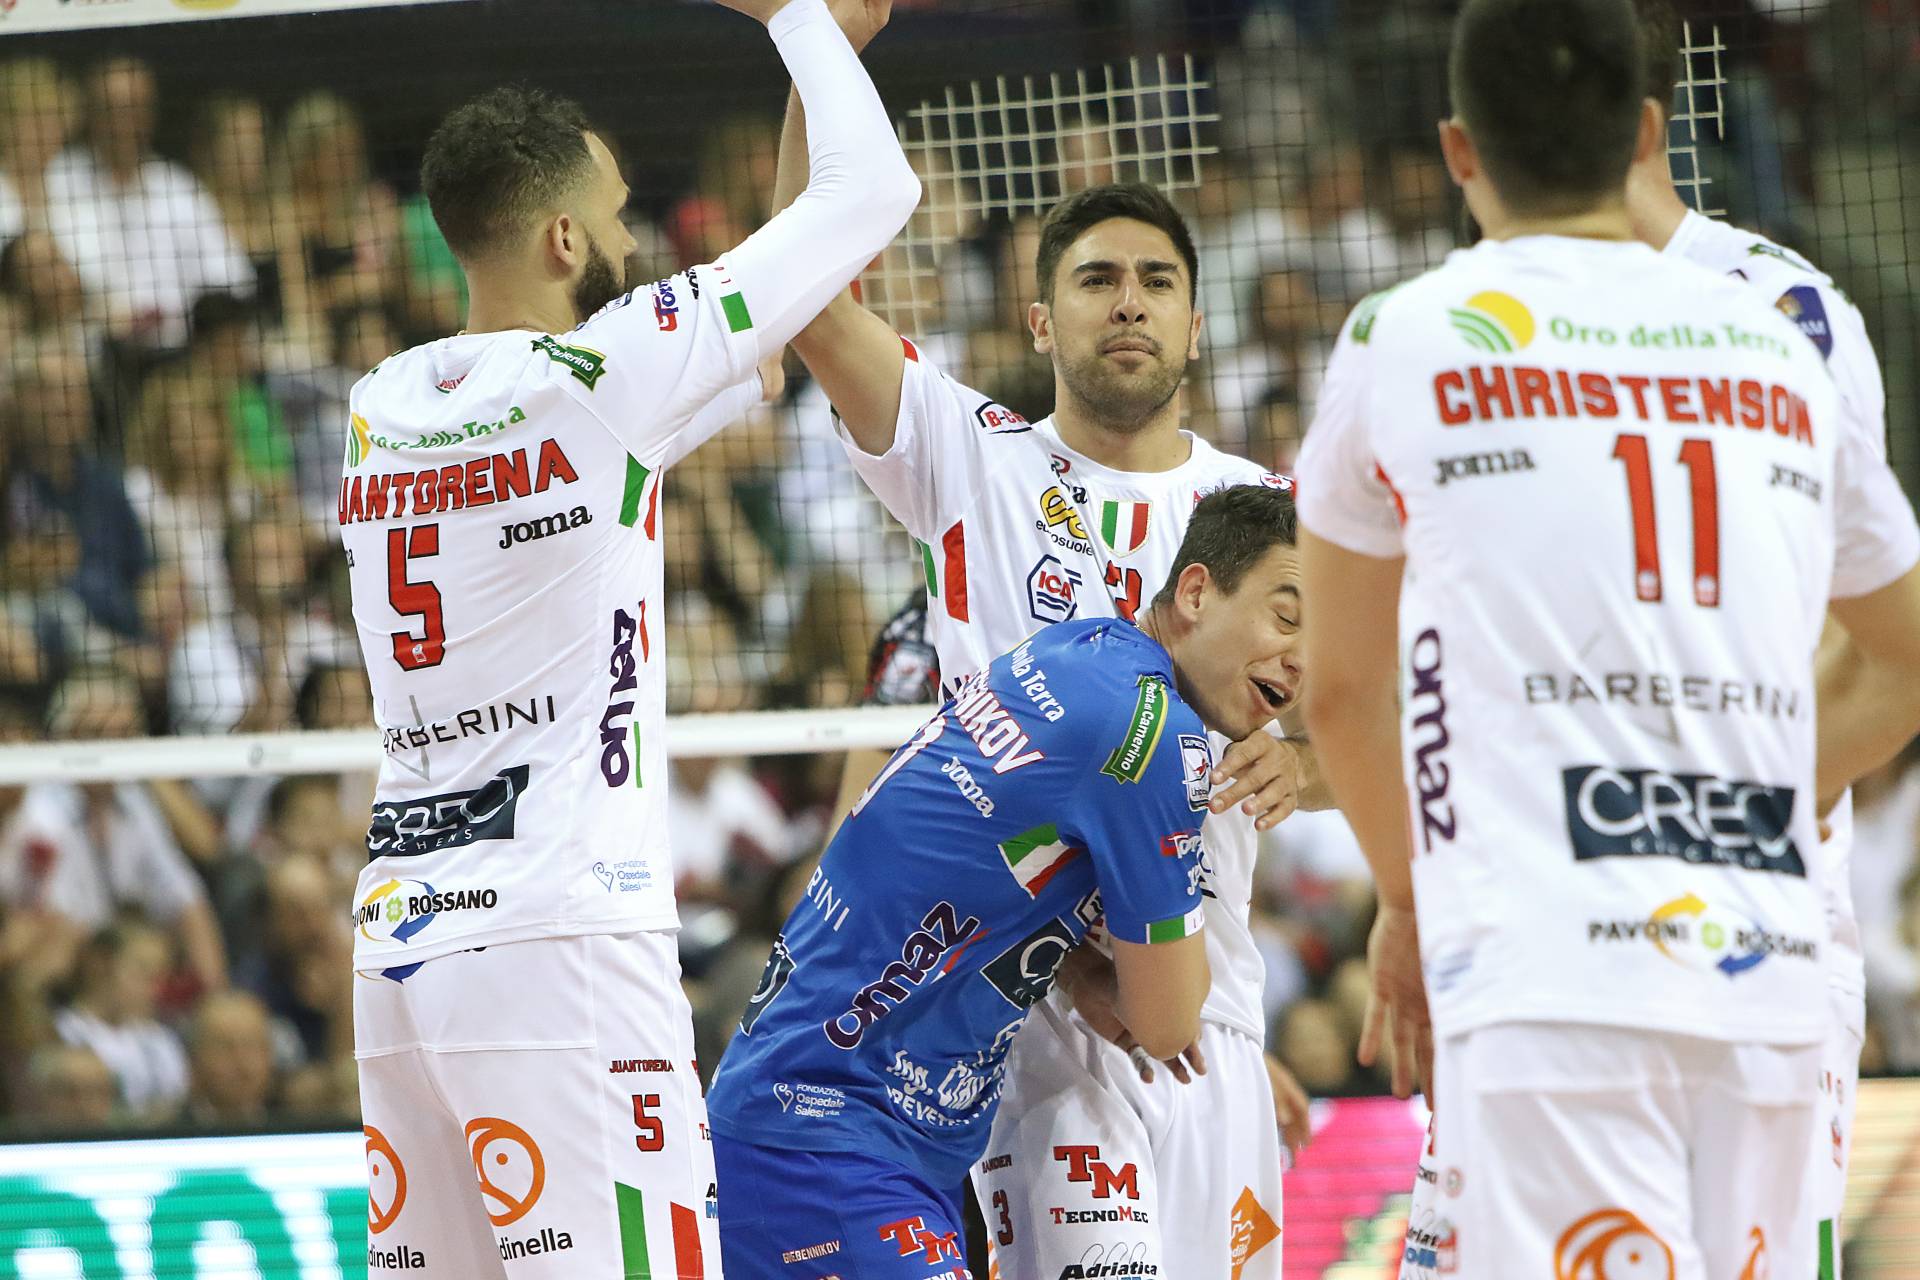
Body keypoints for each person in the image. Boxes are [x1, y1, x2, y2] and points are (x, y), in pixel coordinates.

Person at [1294, 0, 1920, 1273]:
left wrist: (1409, 902)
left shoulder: (1404, 334)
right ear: (1645, 128)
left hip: (1548, 955)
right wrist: (1743, 792)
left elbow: (1344, 690)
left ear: (1459, 149)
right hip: (1764, 952)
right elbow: (1905, 650)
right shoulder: (1787, 336)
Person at [340, 0, 918, 1273]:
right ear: (563, 238)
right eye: (615, 218)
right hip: (563, 940)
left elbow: (774, 331)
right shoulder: (600, 376)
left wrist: (810, 81)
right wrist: (798, 20)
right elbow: (874, 192)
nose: (632, 240)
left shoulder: (381, 405)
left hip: (402, 944)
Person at [772, 30, 1312, 1262]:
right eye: (1096, 278)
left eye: (1157, 281)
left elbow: (1355, 720)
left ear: (1194, 324)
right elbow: (805, 291)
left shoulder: (1266, 507)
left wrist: (1305, 766)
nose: (1128, 299)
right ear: (1040, 317)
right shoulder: (973, 456)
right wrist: (814, 45)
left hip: (1214, 1006)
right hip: (1036, 1022)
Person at [708, 484, 1300, 1276]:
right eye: (1286, 618)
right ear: (1195, 591)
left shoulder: (1076, 650)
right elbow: (1166, 1025)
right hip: (827, 1141)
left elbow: (970, 856)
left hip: (821, 1122)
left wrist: (1073, 963)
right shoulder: (1155, 738)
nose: (1302, 658)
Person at [43, 56, 253, 351]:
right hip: (86, 353)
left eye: (135, 108)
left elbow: (233, 280)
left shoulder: (178, 188)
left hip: (180, 356)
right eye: (112, 108)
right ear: (90, 113)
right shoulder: (57, 180)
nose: (124, 122)